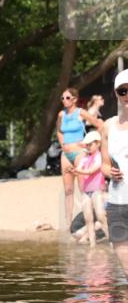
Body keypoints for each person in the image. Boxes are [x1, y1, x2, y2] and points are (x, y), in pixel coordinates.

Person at [58, 87, 105, 224]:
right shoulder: (61, 114)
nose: (64, 100)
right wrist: (62, 144)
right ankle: (68, 224)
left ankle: (89, 219)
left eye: (67, 98)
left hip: (79, 153)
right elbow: (59, 131)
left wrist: (93, 143)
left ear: (74, 99)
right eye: (62, 98)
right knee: (68, 190)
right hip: (65, 155)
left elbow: (99, 125)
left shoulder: (81, 113)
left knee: (83, 188)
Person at [102, 70, 128, 275]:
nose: (127, 94)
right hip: (117, 203)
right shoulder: (108, 126)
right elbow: (103, 164)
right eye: (123, 90)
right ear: (116, 93)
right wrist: (109, 171)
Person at [74, 131, 108, 248]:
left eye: (90, 144)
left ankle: (112, 242)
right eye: (87, 145)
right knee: (88, 219)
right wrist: (75, 170)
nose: (88, 147)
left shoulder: (100, 157)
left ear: (98, 143)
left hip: (97, 190)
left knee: (100, 216)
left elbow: (92, 170)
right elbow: (78, 168)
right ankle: (92, 246)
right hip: (86, 191)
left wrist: (78, 171)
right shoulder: (85, 158)